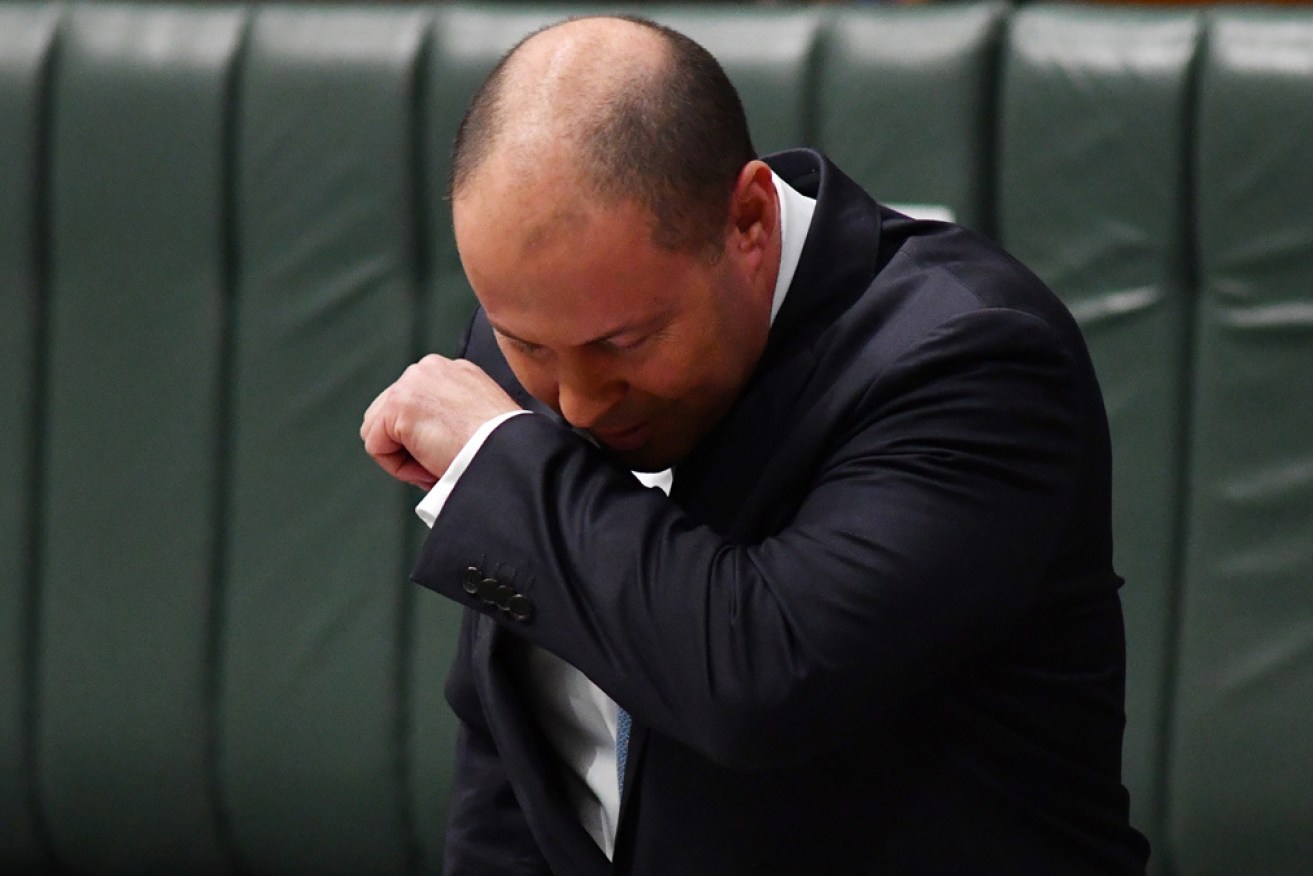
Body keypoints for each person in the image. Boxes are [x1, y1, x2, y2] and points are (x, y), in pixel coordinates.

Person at [360, 14, 1150, 875]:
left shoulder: (969, 358)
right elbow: (518, 748)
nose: (577, 402)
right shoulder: (549, 333)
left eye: (625, 344)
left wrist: (502, 469)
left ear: (748, 220)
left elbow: (765, 680)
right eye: (528, 347)